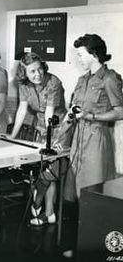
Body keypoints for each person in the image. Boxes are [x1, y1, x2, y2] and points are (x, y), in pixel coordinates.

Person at [56, 34, 123, 258]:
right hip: (78, 142)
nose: (79, 58)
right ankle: (72, 244)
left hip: (97, 141)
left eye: (81, 55)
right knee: (70, 196)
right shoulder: (82, 80)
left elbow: (120, 111)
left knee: (91, 196)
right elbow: (73, 111)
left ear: (94, 54)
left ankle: (90, 249)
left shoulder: (110, 79)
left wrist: (91, 115)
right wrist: (59, 135)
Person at [10, 52, 67, 226]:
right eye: (32, 72)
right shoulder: (23, 85)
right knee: (40, 169)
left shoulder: (53, 82)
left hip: (59, 128)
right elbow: (22, 110)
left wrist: (49, 141)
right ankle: (49, 213)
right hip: (39, 126)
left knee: (49, 172)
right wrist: (12, 136)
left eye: (39, 69)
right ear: (24, 74)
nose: (37, 74)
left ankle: (39, 202)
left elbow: (50, 112)